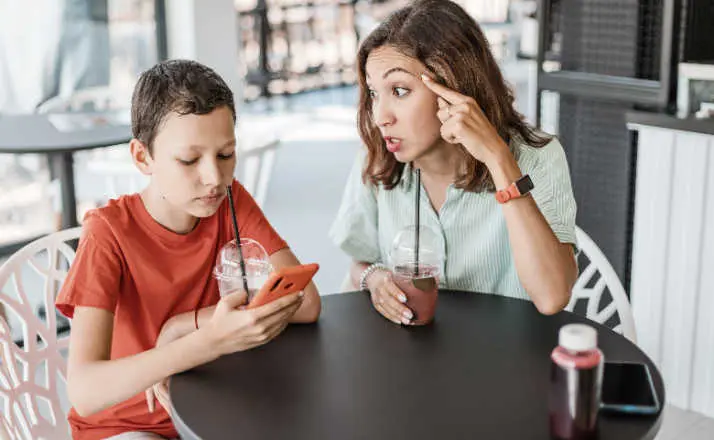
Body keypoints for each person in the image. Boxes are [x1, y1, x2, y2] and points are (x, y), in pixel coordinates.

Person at [56, 59, 321, 440]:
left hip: (215, 405)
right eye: (189, 159)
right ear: (142, 157)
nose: (214, 178)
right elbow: (84, 391)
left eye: (226, 155)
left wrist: (184, 325)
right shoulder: (107, 233)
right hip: (130, 427)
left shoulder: (232, 200)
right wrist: (210, 339)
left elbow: (306, 302)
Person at [329, 0, 578, 325]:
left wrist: (498, 158)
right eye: (375, 93)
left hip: (507, 361)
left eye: (400, 90)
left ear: (453, 86)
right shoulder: (377, 159)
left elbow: (552, 296)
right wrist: (374, 279)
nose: (380, 117)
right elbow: (360, 262)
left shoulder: (538, 156)